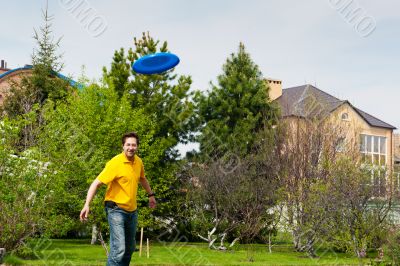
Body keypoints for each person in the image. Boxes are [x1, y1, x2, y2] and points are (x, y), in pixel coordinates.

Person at [80, 132, 156, 266]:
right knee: (119, 249)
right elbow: (96, 183)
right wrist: (87, 204)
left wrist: (151, 195)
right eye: (128, 145)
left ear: (137, 146)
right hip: (116, 209)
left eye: (134, 145)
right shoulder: (115, 163)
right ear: (123, 146)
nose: (131, 148)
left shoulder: (138, 162)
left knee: (130, 248)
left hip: (132, 211)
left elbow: (142, 179)